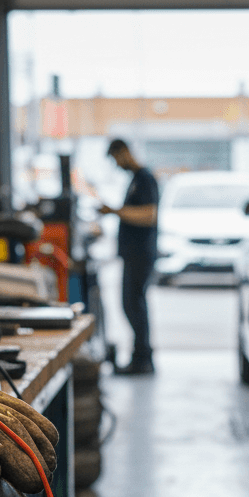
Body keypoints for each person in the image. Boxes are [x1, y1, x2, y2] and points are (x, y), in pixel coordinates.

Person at [99, 139, 159, 375]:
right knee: (131, 304)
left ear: (124, 152)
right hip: (133, 253)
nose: (116, 164)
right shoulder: (135, 179)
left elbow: (149, 215)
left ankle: (143, 360)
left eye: (115, 158)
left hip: (141, 253)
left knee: (134, 305)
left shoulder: (145, 179)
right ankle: (140, 357)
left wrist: (114, 211)